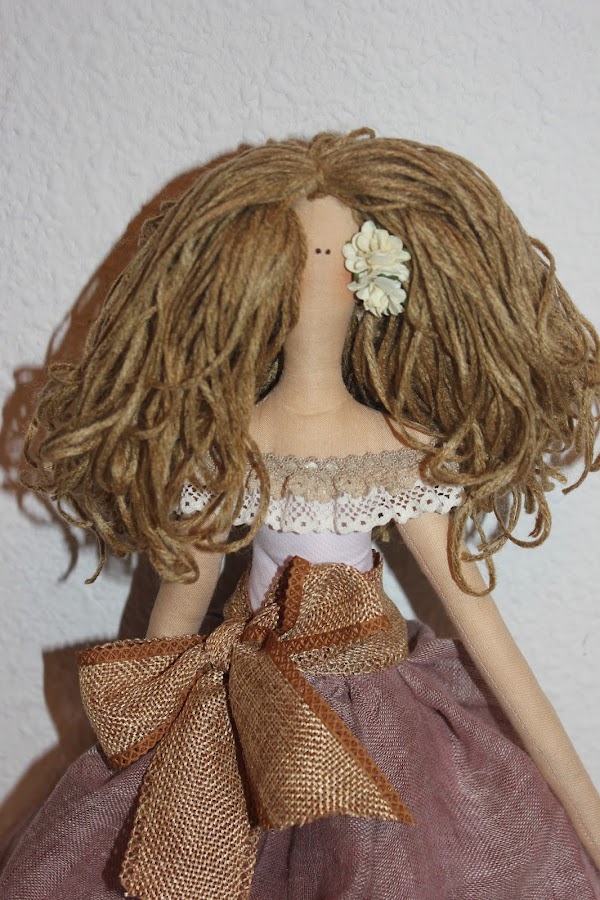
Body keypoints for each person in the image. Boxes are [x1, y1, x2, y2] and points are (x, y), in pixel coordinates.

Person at [2, 129, 599, 899]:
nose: (313, 275)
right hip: (238, 713)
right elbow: (173, 623)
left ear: (377, 276)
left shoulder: (397, 450)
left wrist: (584, 810)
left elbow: (484, 631)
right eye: (293, 255)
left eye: (331, 255)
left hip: (378, 715)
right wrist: (143, 737)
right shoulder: (227, 450)